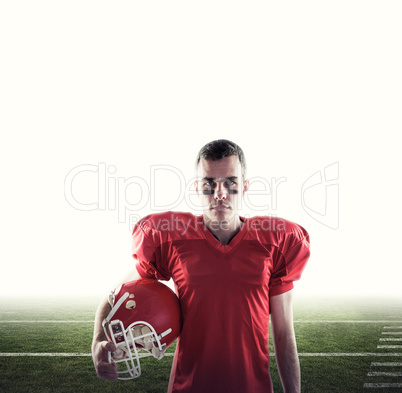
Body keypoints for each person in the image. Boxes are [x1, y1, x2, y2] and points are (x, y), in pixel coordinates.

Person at [92, 139, 310, 393]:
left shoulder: (273, 243)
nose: (220, 193)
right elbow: (119, 293)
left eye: (231, 183)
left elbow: (284, 335)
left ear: (245, 187)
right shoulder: (173, 239)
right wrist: (97, 340)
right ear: (197, 188)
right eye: (209, 184)